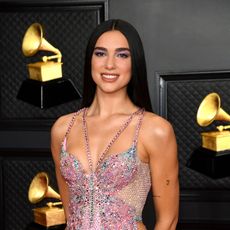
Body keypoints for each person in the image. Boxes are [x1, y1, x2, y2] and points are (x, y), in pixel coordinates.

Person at [51, 19, 179, 230]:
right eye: (100, 53)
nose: (109, 64)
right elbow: (70, 214)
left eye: (122, 55)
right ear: (90, 60)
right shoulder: (62, 129)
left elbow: (168, 221)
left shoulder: (155, 130)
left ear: (134, 62)